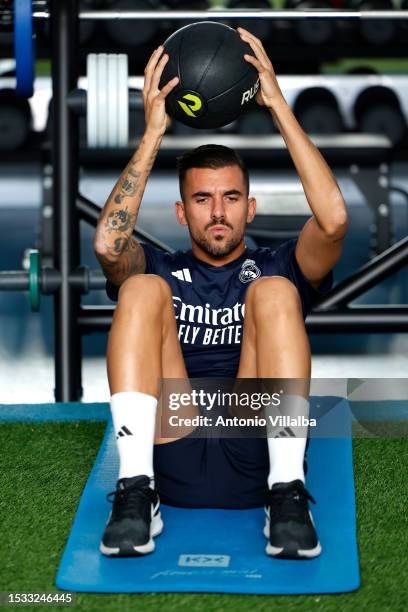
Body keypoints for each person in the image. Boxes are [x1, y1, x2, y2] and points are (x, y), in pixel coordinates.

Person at [93, 27, 348, 560]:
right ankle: (137, 496)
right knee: (138, 287)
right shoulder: (163, 268)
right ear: (182, 213)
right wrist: (153, 135)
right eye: (203, 199)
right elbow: (109, 244)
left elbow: (333, 221)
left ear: (249, 209)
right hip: (171, 442)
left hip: (254, 439)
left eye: (231, 197)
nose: (217, 212)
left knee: (276, 293)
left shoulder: (274, 264)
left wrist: (276, 104)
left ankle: (287, 498)